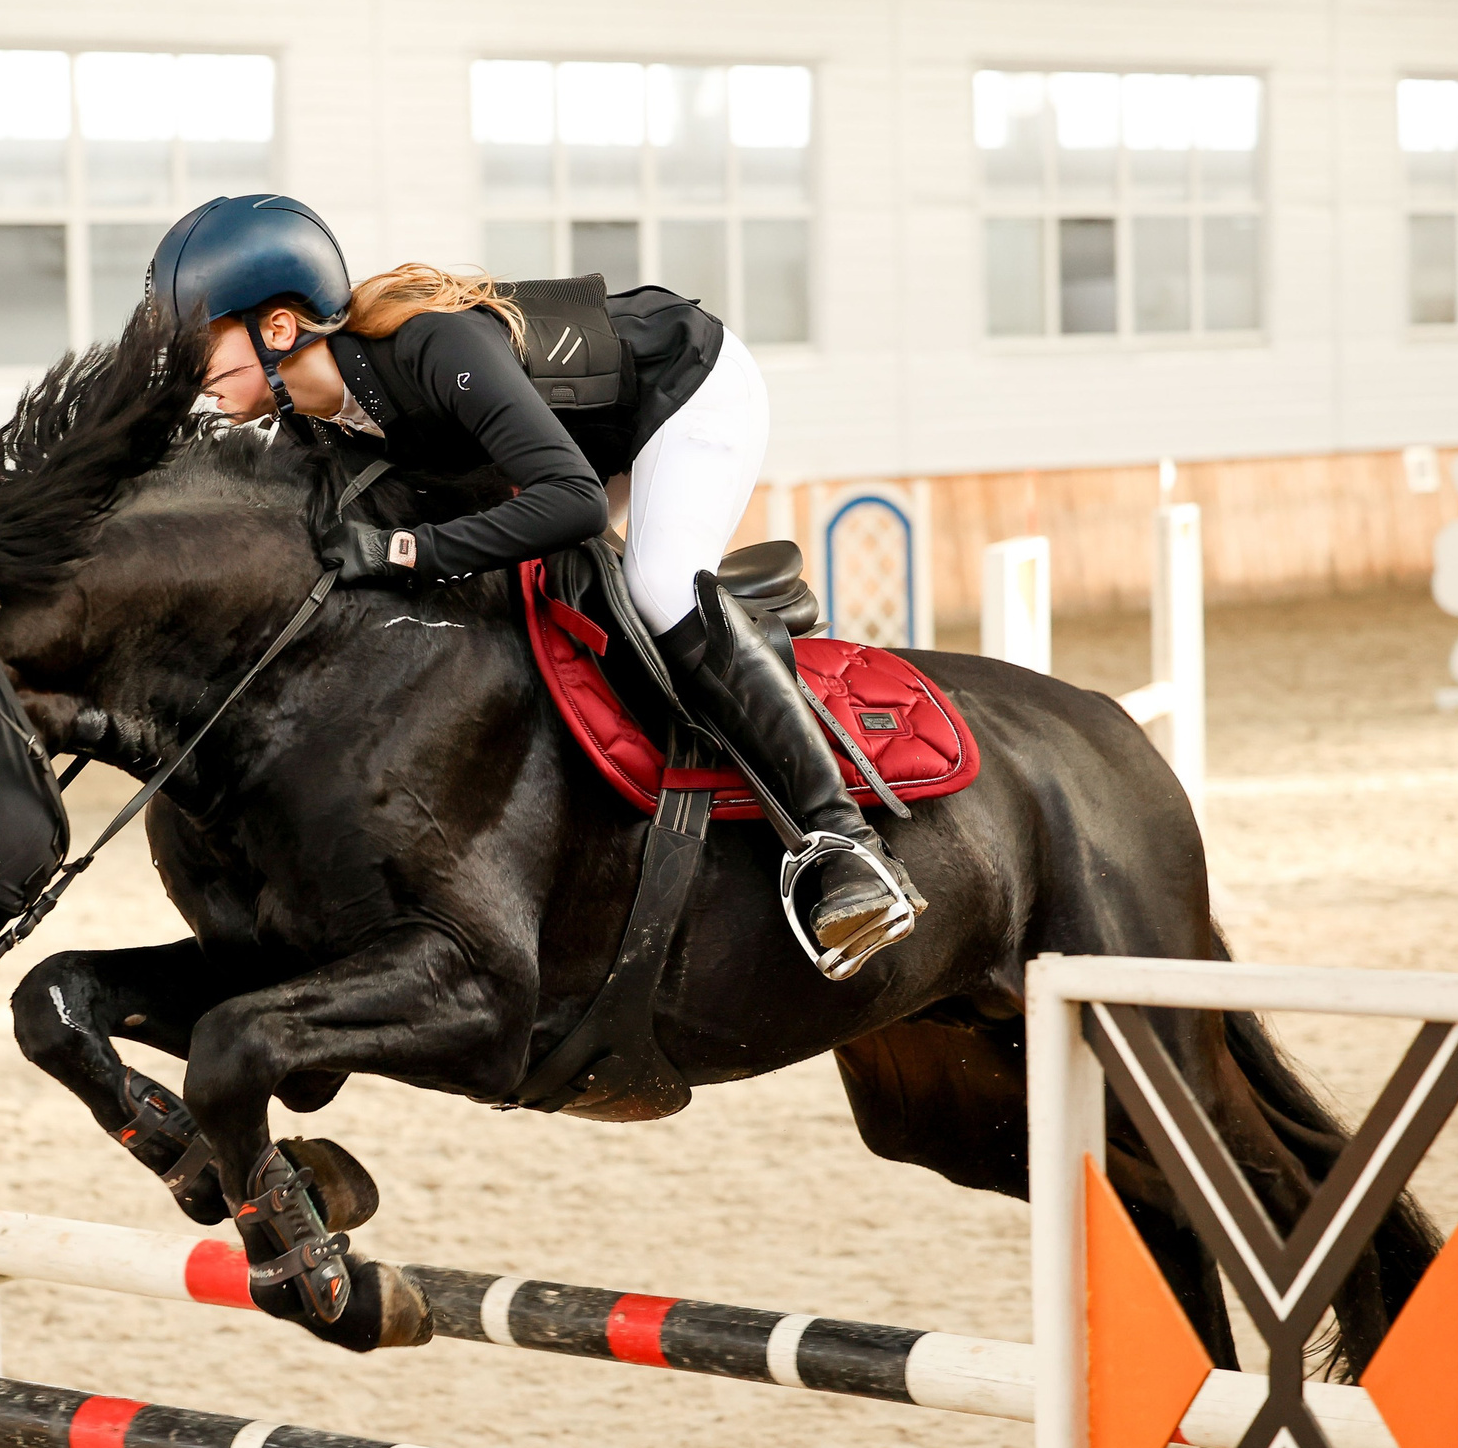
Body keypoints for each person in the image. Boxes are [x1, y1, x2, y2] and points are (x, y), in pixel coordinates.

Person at [145, 194, 922, 974]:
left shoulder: (431, 346)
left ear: (277, 330)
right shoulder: (314, 421)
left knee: (659, 586)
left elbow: (574, 501)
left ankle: (845, 846)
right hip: (579, 446)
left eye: (197, 347)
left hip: (683, 391)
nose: (190, 375)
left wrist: (409, 551)